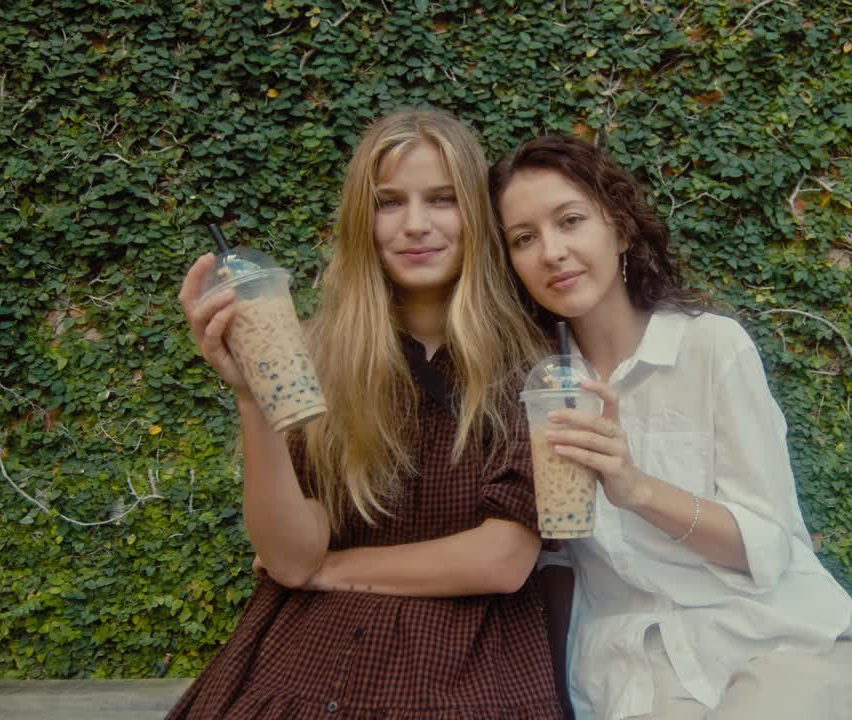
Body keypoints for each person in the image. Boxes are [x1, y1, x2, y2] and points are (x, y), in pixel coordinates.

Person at [168, 110, 563, 719]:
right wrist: (253, 396)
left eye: (441, 199)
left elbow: (504, 559)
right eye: (388, 202)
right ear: (362, 220)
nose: (415, 225)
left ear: (477, 217)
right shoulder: (317, 357)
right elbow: (291, 555)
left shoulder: (530, 365)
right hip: (313, 661)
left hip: (467, 668)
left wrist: (327, 570)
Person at [488, 135, 852, 720]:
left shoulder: (711, 348)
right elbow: (559, 565)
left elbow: (766, 547)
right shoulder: (535, 390)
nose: (552, 252)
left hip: (772, 642)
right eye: (524, 239)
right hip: (631, 668)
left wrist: (636, 489)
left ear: (618, 229)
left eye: (570, 220)